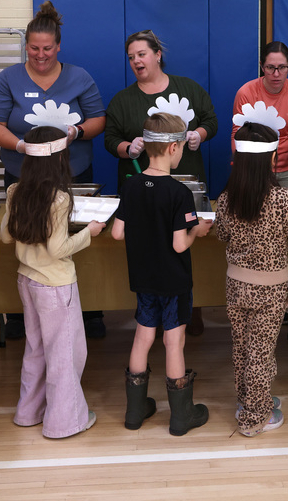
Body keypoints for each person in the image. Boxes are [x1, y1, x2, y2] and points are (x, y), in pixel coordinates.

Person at [0, 0, 107, 340]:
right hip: (22, 174)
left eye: (48, 49)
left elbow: (99, 120)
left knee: (74, 238)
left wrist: (76, 132)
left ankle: (91, 310)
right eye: (34, 49)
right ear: (26, 46)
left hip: (73, 174)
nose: (41, 55)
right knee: (24, 237)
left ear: (59, 46)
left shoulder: (79, 77)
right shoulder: (8, 78)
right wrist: (19, 145)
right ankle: (20, 316)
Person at [215, 112, 288, 437]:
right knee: (260, 353)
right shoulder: (284, 199)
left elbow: (220, 234)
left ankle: (247, 400)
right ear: (272, 158)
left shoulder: (227, 198)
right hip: (270, 292)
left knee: (242, 348)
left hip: (236, 286)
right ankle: (254, 418)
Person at [111, 112, 214, 436]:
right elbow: (179, 245)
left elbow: (116, 233)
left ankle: (134, 411)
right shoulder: (179, 193)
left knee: (143, 336)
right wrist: (197, 230)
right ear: (173, 148)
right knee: (173, 342)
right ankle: (182, 415)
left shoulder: (131, 186)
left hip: (143, 278)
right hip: (174, 281)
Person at [0, 126, 106, 439]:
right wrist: (89, 232)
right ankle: (64, 422)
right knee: (65, 354)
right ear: (60, 159)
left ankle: (28, 412)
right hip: (56, 286)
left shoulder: (16, 190)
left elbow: (6, 235)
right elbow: (58, 249)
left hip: (27, 281)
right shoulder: (58, 199)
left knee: (36, 349)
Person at [104, 29, 219, 190]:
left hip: (185, 183)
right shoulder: (121, 101)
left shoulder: (189, 88)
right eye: (131, 57)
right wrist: (130, 148)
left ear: (158, 55)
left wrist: (198, 135)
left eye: (141, 54)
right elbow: (110, 139)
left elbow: (211, 121)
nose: (135, 61)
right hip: (141, 187)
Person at [231, 41, 288, 189]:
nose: (276, 74)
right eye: (270, 68)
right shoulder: (246, 93)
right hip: (255, 167)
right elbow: (237, 133)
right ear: (262, 66)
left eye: (282, 68)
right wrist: (241, 166)